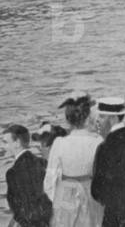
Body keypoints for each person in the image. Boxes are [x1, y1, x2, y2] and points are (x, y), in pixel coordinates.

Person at [44, 93, 104, 227]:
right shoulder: (98, 141)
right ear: (88, 118)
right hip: (91, 194)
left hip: (65, 195)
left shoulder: (59, 142)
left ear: (68, 119)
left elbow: (49, 180)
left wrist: (57, 202)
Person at [3, 124, 52, 227]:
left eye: (6, 142)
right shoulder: (43, 163)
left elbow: (15, 207)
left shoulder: (12, 173)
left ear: (17, 143)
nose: (3, 146)